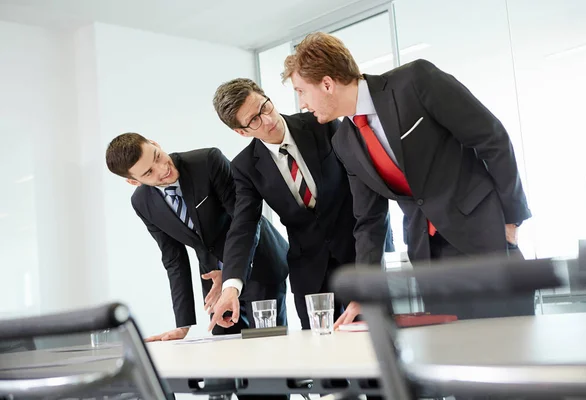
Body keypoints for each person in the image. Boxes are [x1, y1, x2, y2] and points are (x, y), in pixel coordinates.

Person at [282, 32, 533, 324]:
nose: (301, 104)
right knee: (453, 357)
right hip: (427, 258)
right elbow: (369, 222)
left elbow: (493, 138)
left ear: (327, 84)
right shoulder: (344, 143)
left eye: (301, 91)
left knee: (510, 343)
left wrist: (512, 219)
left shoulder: (415, 81)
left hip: (483, 236)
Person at [105, 133, 289, 341]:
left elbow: (244, 222)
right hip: (214, 279)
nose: (162, 169)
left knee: (266, 347)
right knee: (224, 354)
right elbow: (173, 258)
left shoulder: (207, 162)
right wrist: (183, 325)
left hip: (259, 263)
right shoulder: (142, 203)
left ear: (155, 143)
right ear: (133, 181)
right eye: (148, 172)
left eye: (157, 156)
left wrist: (229, 276)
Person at [209, 78, 358, 331]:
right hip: (310, 269)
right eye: (254, 120)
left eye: (264, 107)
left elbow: (362, 179)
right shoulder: (244, 167)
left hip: (358, 251)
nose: (267, 120)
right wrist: (231, 286)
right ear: (242, 132)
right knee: (324, 358)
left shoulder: (320, 122)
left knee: (376, 347)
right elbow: (244, 226)